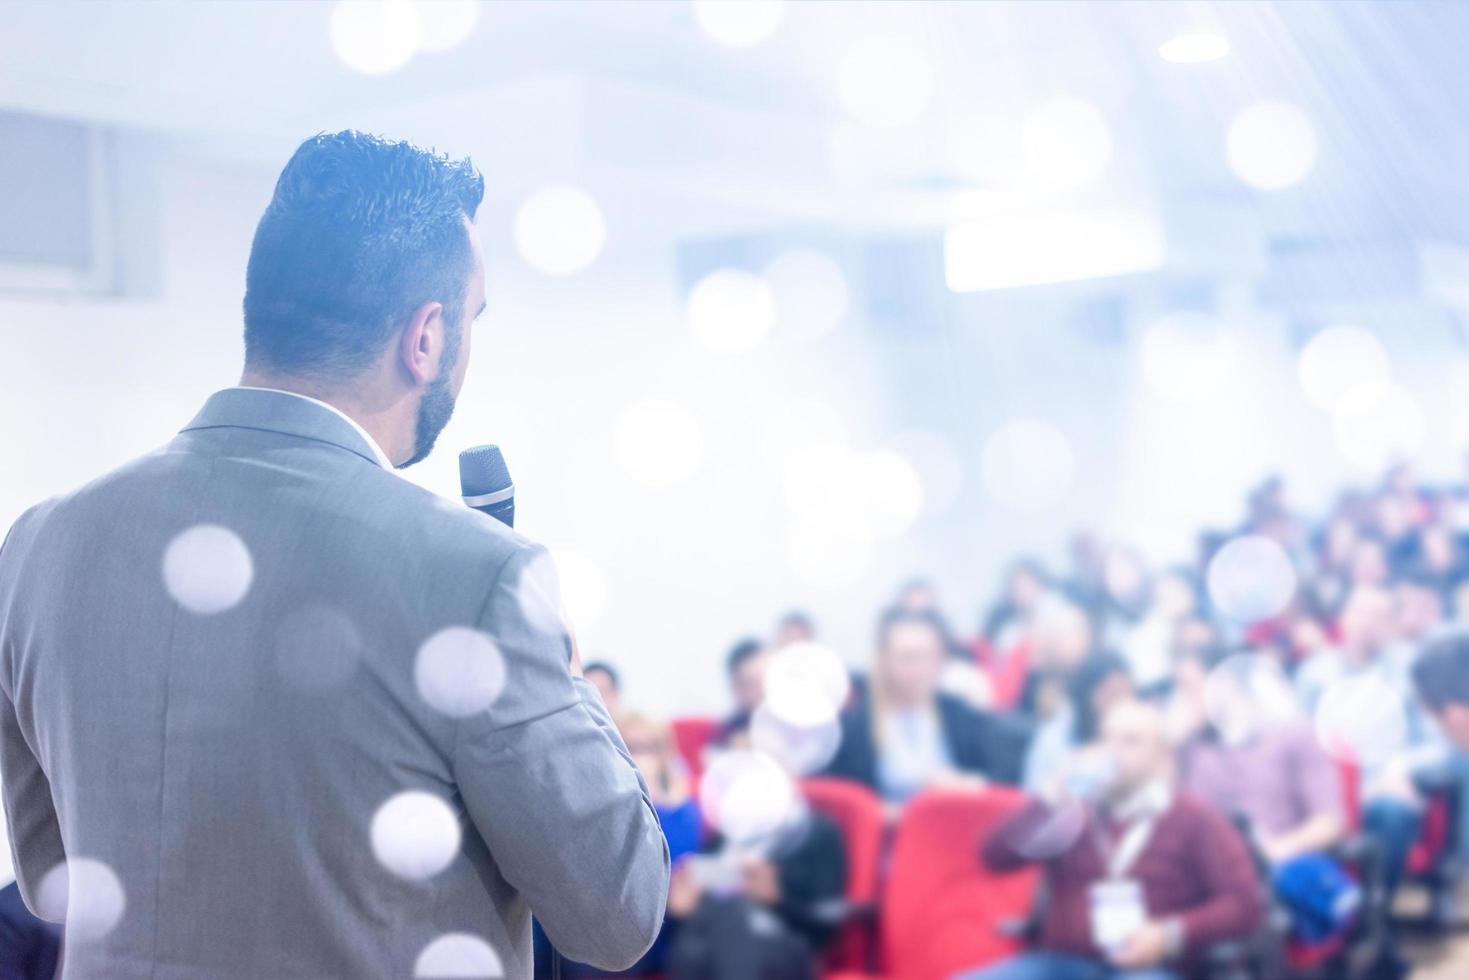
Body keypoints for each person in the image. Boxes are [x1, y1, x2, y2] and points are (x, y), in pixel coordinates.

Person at [0, 132, 668, 978]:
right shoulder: (481, 578)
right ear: (425, 338)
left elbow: (53, 881)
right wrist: (562, 672)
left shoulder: (38, 546)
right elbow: (618, 917)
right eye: (472, 321)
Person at [958, 700, 1265, 980]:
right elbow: (994, 856)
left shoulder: (1194, 817)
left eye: (1130, 741)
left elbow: (1244, 905)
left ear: (1163, 757)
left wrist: (1169, 934)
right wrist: (1052, 797)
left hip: (1150, 967)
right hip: (1062, 963)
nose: (1114, 751)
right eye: (1107, 739)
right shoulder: (1073, 811)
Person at [1173, 651, 1354, 943]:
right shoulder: (1187, 748)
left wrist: (1271, 852)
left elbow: (1330, 823)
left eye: (1190, 687)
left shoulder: (1294, 734)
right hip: (1209, 874)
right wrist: (1170, 740)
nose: (1182, 700)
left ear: (1225, 684)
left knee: (1265, 889)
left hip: (1275, 861)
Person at [664, 714, 846, 980]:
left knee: (731, 914)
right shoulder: (725, 830)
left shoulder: (818, 833)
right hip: (710, 936)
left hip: (782, 941)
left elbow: (826, 926)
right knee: (697, 940)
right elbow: (695, 897)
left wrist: (776, 900)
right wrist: (681, 907)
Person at [822, 608, 1030, 808]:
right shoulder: (855, 727)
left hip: (951, 827)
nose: (921, 668)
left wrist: (969, 783)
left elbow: (1005, 775)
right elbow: (837, 795)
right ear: (885, 661)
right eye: (909, 658)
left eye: (930, 656)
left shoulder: (959, 714)